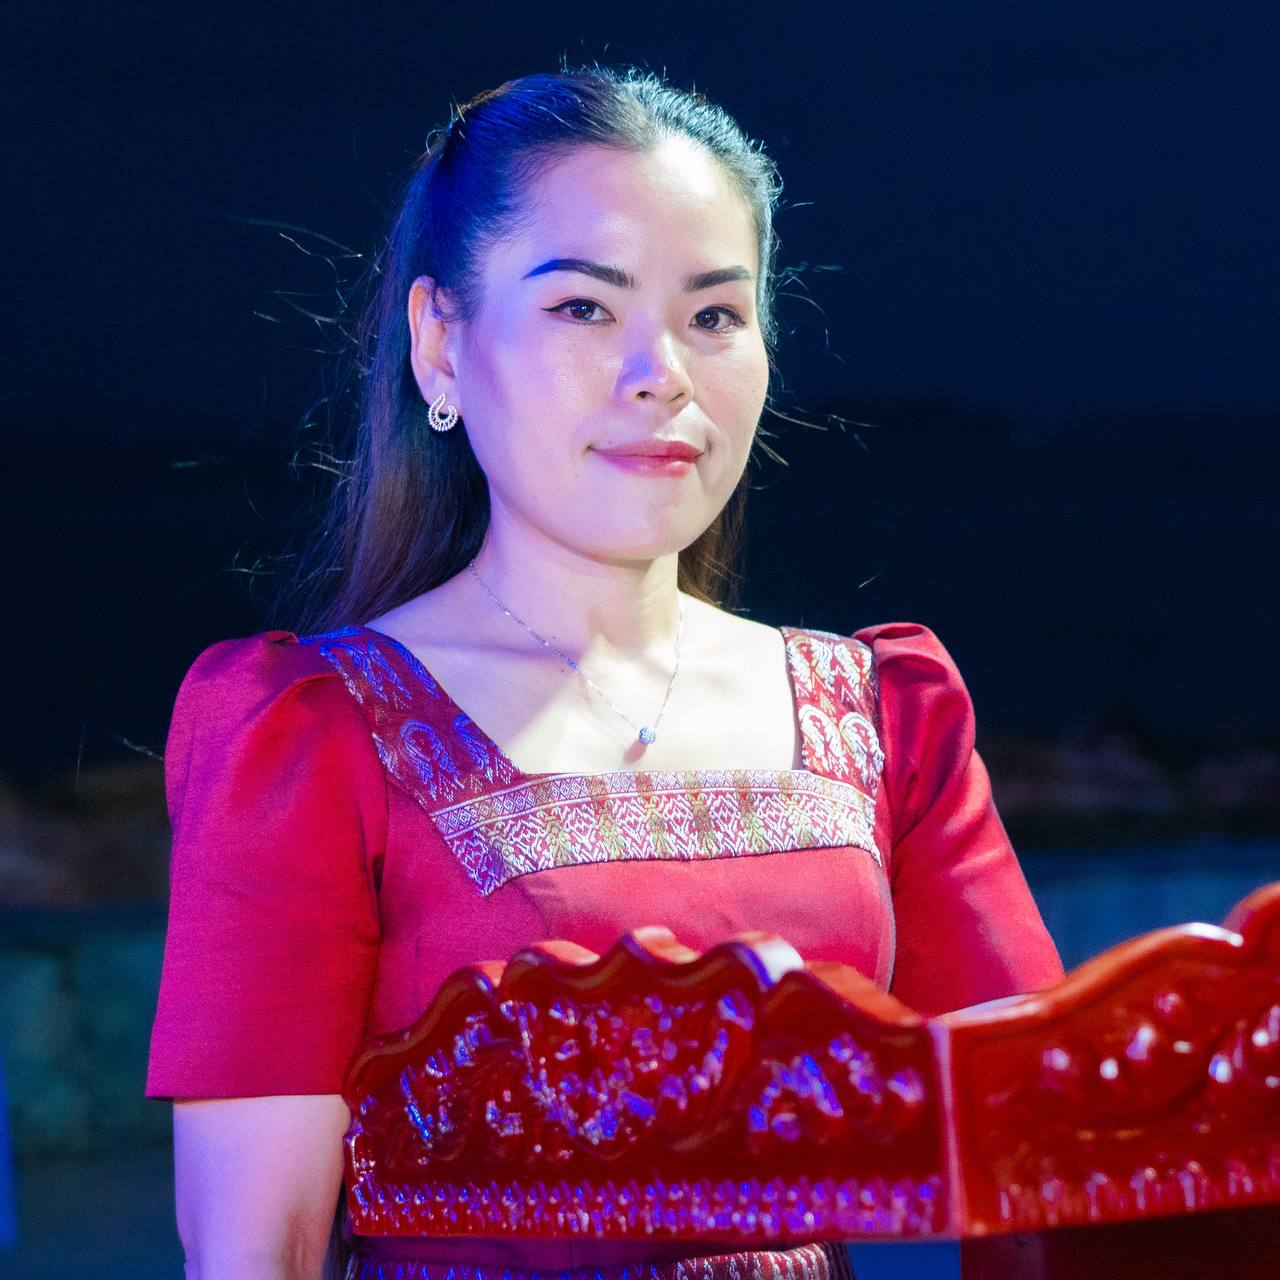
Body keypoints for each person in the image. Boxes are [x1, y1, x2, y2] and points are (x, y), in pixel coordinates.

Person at [145, 63, 1063, 1280]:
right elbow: (257, 1248)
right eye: (583, 306)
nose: (660, 371)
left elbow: (1041, 1155)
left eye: (713, 315)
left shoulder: (881, 716)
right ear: (440, 343)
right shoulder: (312, 733)